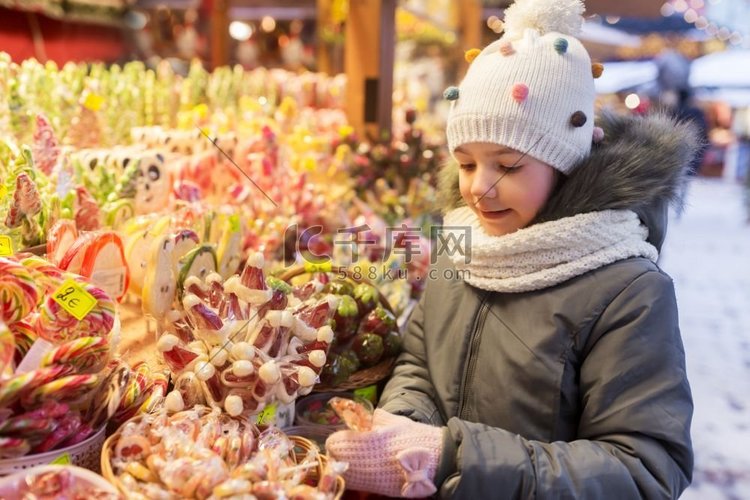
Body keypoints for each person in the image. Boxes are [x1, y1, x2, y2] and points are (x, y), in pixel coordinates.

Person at [325, 0, 699, 498]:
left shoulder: (629, 292)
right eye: (466, 163)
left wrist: (451, 457)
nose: (480, 189)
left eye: (508, 165)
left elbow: (645, 470)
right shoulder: (462, 246)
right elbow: (419, 360)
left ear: (566, 162)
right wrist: (403, 430)